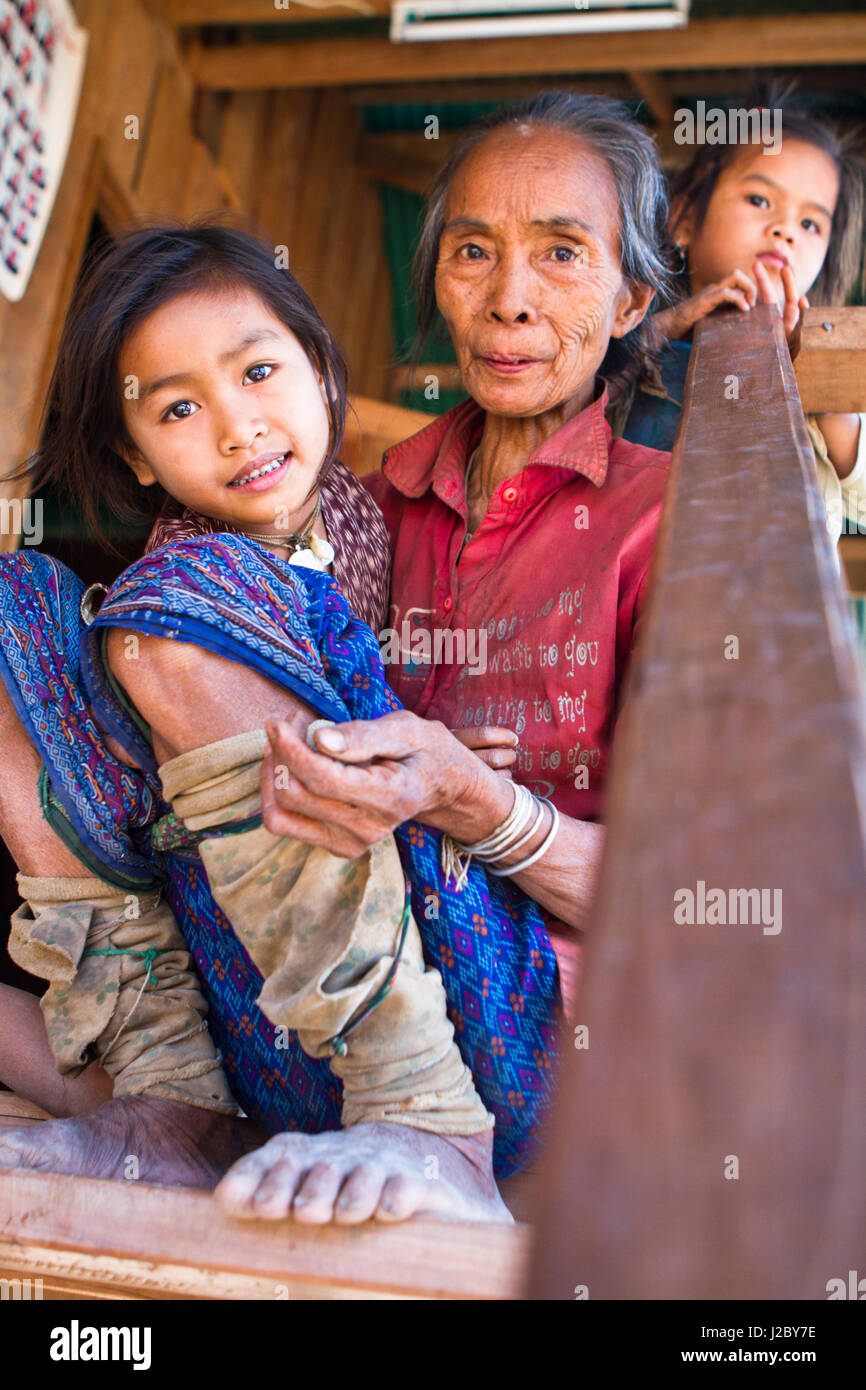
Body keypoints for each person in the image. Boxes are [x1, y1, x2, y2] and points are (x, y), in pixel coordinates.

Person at [0, 224, 571, 1223]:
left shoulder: (369, 523)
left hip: (462, 1030)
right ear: (136, 461)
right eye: (179, 407)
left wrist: (441, 757)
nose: (237, 426)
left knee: (169, 615)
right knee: (17, 603)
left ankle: (428, 1120)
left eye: (258, 371)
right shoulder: (179, 590)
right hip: (253, 1045)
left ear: (320, 371)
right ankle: (166, 1106)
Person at [257, 89, 676, 1165]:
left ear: (630, 299)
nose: (508, 301)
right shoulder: (361, 503)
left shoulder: (670, 518)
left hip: (543, 1054)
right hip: (315, 998)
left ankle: (436, 1135)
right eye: (472, 251)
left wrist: (479, 805)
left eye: (561, 254)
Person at [623, 93, 866, 551]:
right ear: (684, 219)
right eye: (759, 199)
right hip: (642, 604)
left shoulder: (821, 364)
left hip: (781, 605)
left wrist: (824, 388)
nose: (786, 230)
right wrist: (664, 327)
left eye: (811, 225)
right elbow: (581, 402)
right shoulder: (637, 338)